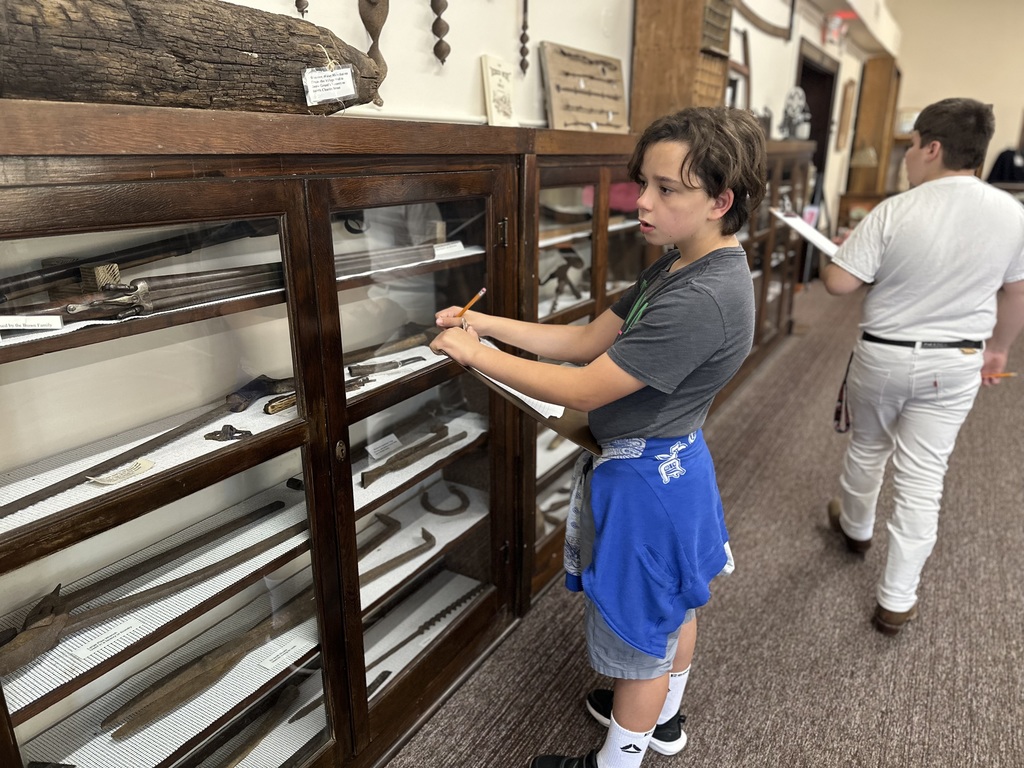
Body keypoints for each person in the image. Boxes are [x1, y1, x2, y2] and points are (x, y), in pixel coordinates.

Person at [429, 107, 767, 768]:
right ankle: (661, 723)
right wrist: (489, 326)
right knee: (672, 605)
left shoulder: (705, 296)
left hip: (648, 483)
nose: (641, 201)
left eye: (667, 189)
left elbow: (584, 386)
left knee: (641, 638)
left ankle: (620, 756)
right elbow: (584, 339)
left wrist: (475, 356)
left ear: (720, 201)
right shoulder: (681, 263)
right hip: (670, 466)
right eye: (643, 182)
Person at [822, 98, 1024, 636]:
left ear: (932, 148)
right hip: (959, 358)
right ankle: (896, 599)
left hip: (884, 353)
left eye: (911, 146)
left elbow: (839, 283)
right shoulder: (1012, 213)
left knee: (869, 445)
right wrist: (1000, 348)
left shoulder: (896, 209)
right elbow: (1017, 292)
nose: (909, 158)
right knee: (924, 477)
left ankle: (857, 528)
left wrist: (845, 254)